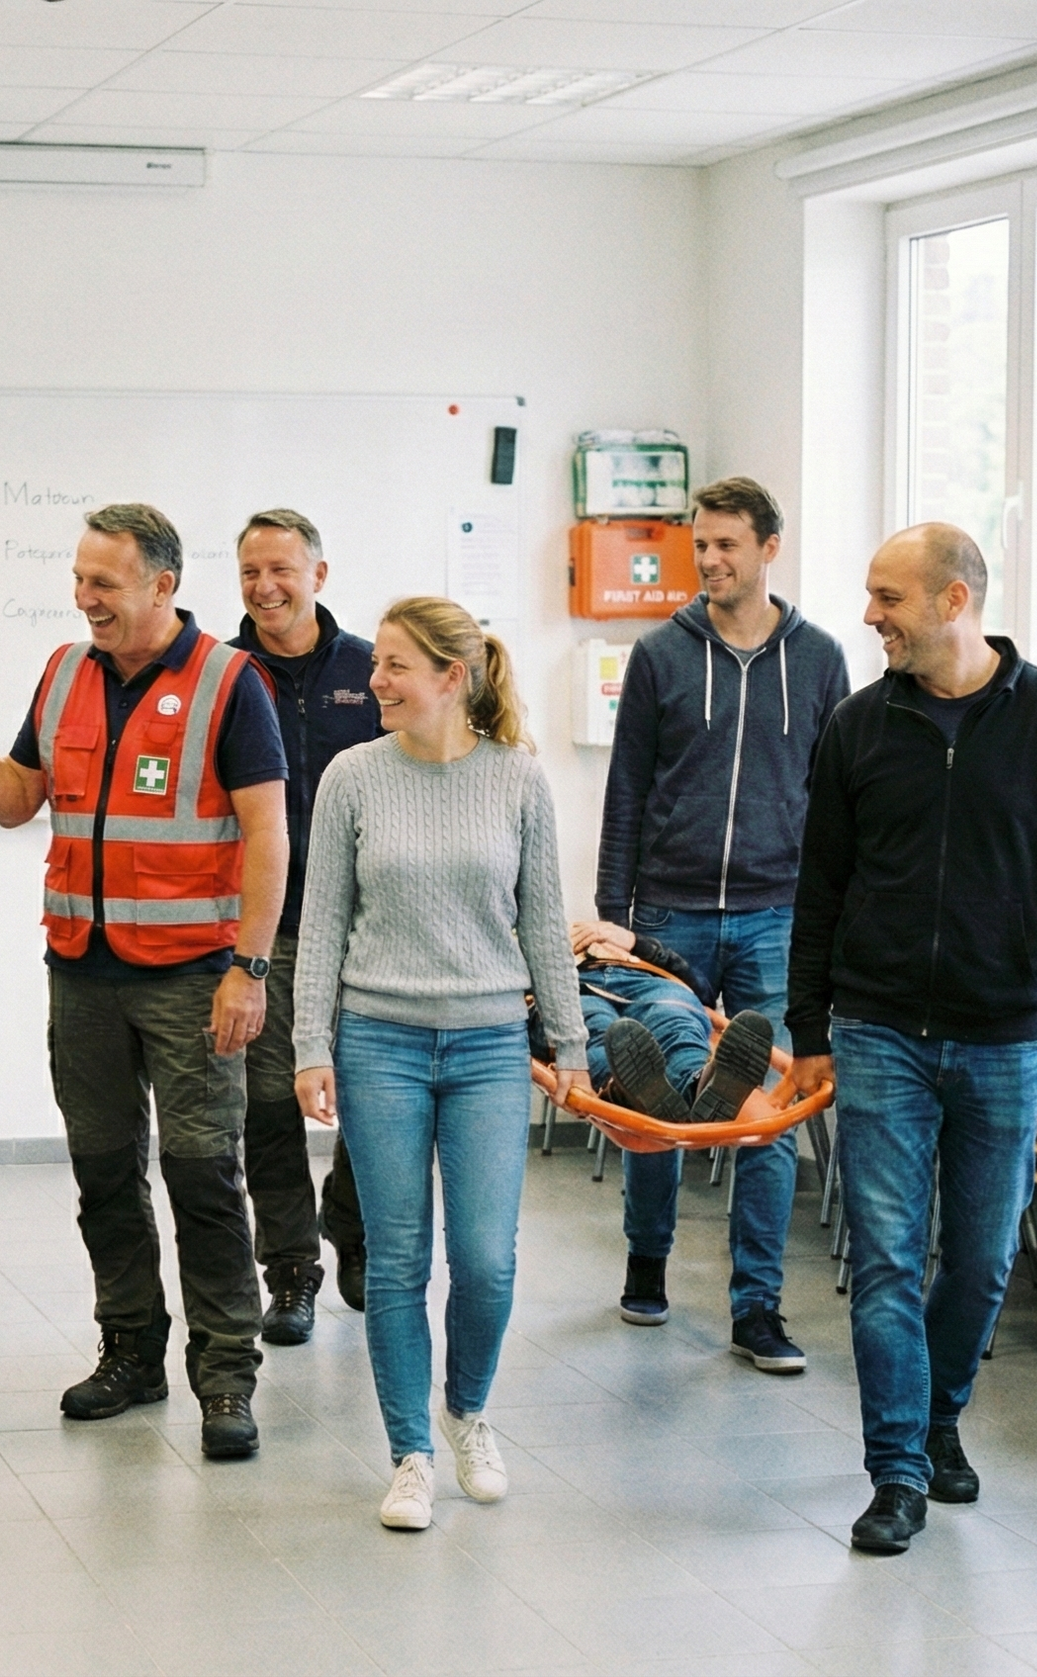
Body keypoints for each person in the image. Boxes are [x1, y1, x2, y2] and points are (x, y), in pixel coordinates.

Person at [785, 522, 1037, 1557]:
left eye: (888, 597)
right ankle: (897, 1474)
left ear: (953, 601)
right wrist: (807, 1027)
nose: (870, 615)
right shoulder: (855, 727)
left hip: (1003, 1036)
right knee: (883, 1260)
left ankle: (935, 1418)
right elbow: (820, 888)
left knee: (974, 1260)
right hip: (877, 1025)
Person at [0, 502, 288, 1461]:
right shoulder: (66, 673)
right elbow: (16, 802)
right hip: (82, 973)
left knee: (203, 1178)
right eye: (79, 581)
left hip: (195, 979)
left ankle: (228, 1374)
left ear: (162, 585)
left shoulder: (228, 684)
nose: (85, 600)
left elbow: (270, 836)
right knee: (105, 1176)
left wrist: (250, 967)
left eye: (104, 583)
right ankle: (131, 1352)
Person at [293, 596, 587, 1532]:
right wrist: (310, 1044)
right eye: (375, 663)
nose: (372, 680)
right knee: (397, 1261)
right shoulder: (352, 777)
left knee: (487, 1261)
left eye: (392, 666)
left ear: (450, 678)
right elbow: (323, 926)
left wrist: (572, 1046)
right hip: (378, 1038)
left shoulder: (518, 780)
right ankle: (410, 1452)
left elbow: (544, 920)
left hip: (490, 1042)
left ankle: (466, 1410)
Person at [593, 476, 848, 1365]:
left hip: (776, 916)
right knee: (657, 1091)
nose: (708, 560)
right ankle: (648, 1260)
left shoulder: (819, 659)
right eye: (700, 544)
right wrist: (610, 916)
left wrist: (826, 919)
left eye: (727, 544)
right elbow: (626, 789)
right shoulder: (661, 654)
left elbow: (832, 800)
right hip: (670, 910)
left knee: (763, 1108)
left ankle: (758, 1305)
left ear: (770, 547)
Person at [227, 509, 385, 1340]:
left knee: (370, 1095)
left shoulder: (370, 672)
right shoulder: (222, 674)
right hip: (268, 932)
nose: (264, 586)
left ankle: (351, 1232)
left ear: (319, 575)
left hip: (368, 932)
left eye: (281, 568)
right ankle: (289, 1270)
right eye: (250, 570)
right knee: (267, 1104)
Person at [563, 920, 774, 1143]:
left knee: (676, 1019)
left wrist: (635, 943)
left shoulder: (633, 952)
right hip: (571, 987)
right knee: (591, 1028)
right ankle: (627, 1090)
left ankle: (698, 1085)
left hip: (648, 980)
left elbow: (701, 988)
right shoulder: (544, 950)